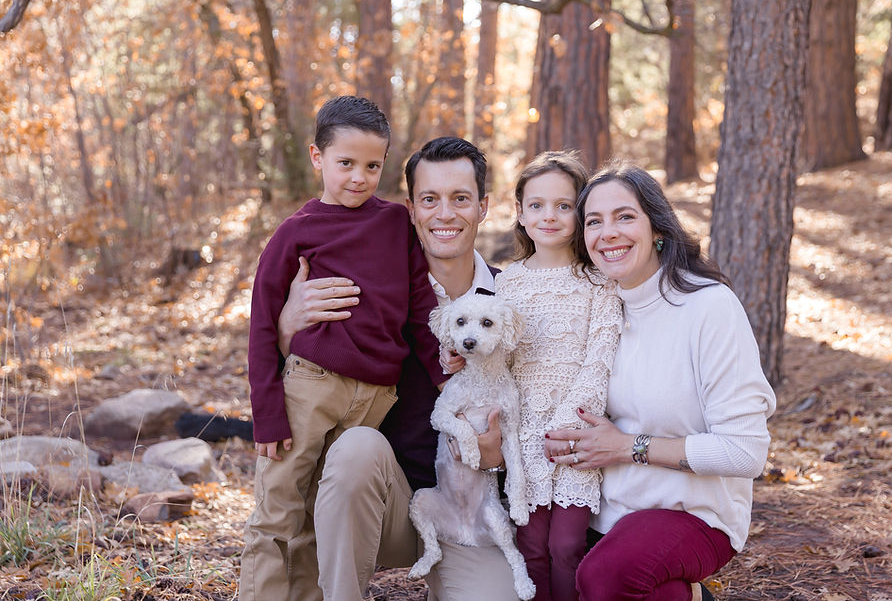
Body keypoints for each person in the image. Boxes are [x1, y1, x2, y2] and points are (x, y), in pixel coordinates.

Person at [276, 136, 521, 600]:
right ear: (411, 208)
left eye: (460, 199)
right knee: (355, 447)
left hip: (473, 516)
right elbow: (305, 386)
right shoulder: (371, 298)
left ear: (484, 207)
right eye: (430, 200)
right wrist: (287, 329)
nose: (444, 214)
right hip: (391, 503)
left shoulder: (512, 305)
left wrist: (499, 456)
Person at [240, 96, 449, 601]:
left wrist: (443, 364)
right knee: (280, 507)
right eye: (346, 163)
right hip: (312, 386)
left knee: (323, 509)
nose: (359, 177)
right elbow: (263, 325)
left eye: (372, 166)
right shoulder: (296, 232)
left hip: (375, 397)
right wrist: (267, 415)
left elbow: (421, 304)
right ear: (318, 157)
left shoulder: (396, 224)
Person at [546, 164, 777, 601]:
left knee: (607, 576)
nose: (607, 232)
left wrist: (627, 446)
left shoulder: (708, 307)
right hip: (603, 511)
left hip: (692, 513)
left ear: (658, 228)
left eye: (625, 216)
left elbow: (746, 452)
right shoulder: (594, 308)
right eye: (594, 221)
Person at [494, 152, 621, 601]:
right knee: (530, 544)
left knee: (566, 544)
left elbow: (600, 358)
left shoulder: (598, 281)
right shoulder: (508, 283)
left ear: (580, 213)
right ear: (520, 213)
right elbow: (501, 360)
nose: (549, 216)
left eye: (564, 206)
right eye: (537, 205)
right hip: (523, 430)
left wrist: (566, 426)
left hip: (576, 429)